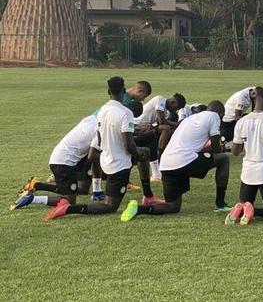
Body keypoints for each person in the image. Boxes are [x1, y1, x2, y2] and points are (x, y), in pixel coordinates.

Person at [43, 77, 150, 221]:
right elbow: (128, 145)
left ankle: (98, 191)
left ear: (108, 92)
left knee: (99, 197)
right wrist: (137, 154)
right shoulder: (126, 113)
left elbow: (99, 139)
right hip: (119, 165)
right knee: (110, 206)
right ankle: (68, 208)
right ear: (124, 91)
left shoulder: (102, 111)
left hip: (106, 161)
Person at [11, 101, 144, 211]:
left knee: (81, 189)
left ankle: (37, 185)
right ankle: (33, 198)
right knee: (69, 201)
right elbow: (93, 154)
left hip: (67, 158)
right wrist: (85, 168)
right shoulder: (100, 127)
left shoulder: (94, 119)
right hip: (64, 162)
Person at [118, 100, 232, 221]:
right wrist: (221, 148)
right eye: (222, 115)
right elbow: (216, 148)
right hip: (184, 160)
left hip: (167, 164)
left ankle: (139, 209)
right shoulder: (213, 115)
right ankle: (220, 204)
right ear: (219, 112)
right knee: (223, 159)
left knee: (173, 206)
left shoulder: (190, 119)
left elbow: (193, 145)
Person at [225, 88, 263, 225]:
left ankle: (240, 210)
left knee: (245, 203)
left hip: (247, 173)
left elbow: (235, 151)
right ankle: (255, 212)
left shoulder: (241, 122)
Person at [135, 93, 187, 181]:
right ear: (173, 102)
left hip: (148, 126)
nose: (175, 111)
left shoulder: (166, 111)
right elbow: (162, 120)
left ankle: (161, 156)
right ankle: (161, 155)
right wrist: (178, 124)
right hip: (138, 124)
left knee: (167, 129)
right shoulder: (160, 99)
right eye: (176, 108)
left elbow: (160, 122)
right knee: (166, 128)